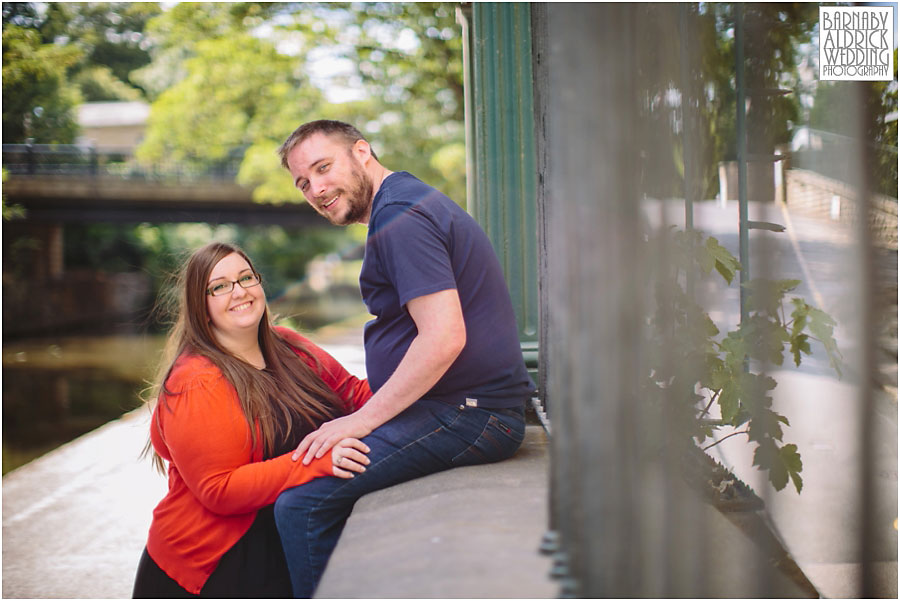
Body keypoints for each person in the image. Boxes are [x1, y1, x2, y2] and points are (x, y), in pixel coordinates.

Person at [274, 120, 536, 596]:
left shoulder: (398, 216)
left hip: (469, 415)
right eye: (303, 182)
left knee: (301, 503)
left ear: (362, 151)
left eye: (323, 167)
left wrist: (362, 420)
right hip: (463, 408)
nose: (316, 188)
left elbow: (443, 337)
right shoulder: (403, 200)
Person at [132, 241, 373, 598]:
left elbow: (354, 394)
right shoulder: (197, 381)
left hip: (280, 541)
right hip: (211, 567)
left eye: (246, 278)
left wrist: (422, 380)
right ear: (202, 306)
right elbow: (220, 489)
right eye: (220, 286)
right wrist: (316, 461)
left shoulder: (289, 347)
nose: (239, 291)